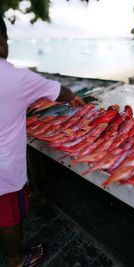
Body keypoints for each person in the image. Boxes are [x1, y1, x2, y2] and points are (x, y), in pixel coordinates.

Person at [0, 15, 85, 267]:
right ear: (2, 40)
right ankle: (17, 259)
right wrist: (73, 98)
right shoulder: (17, 77)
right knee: (9, 217)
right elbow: (59, 91)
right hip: (4, 170)